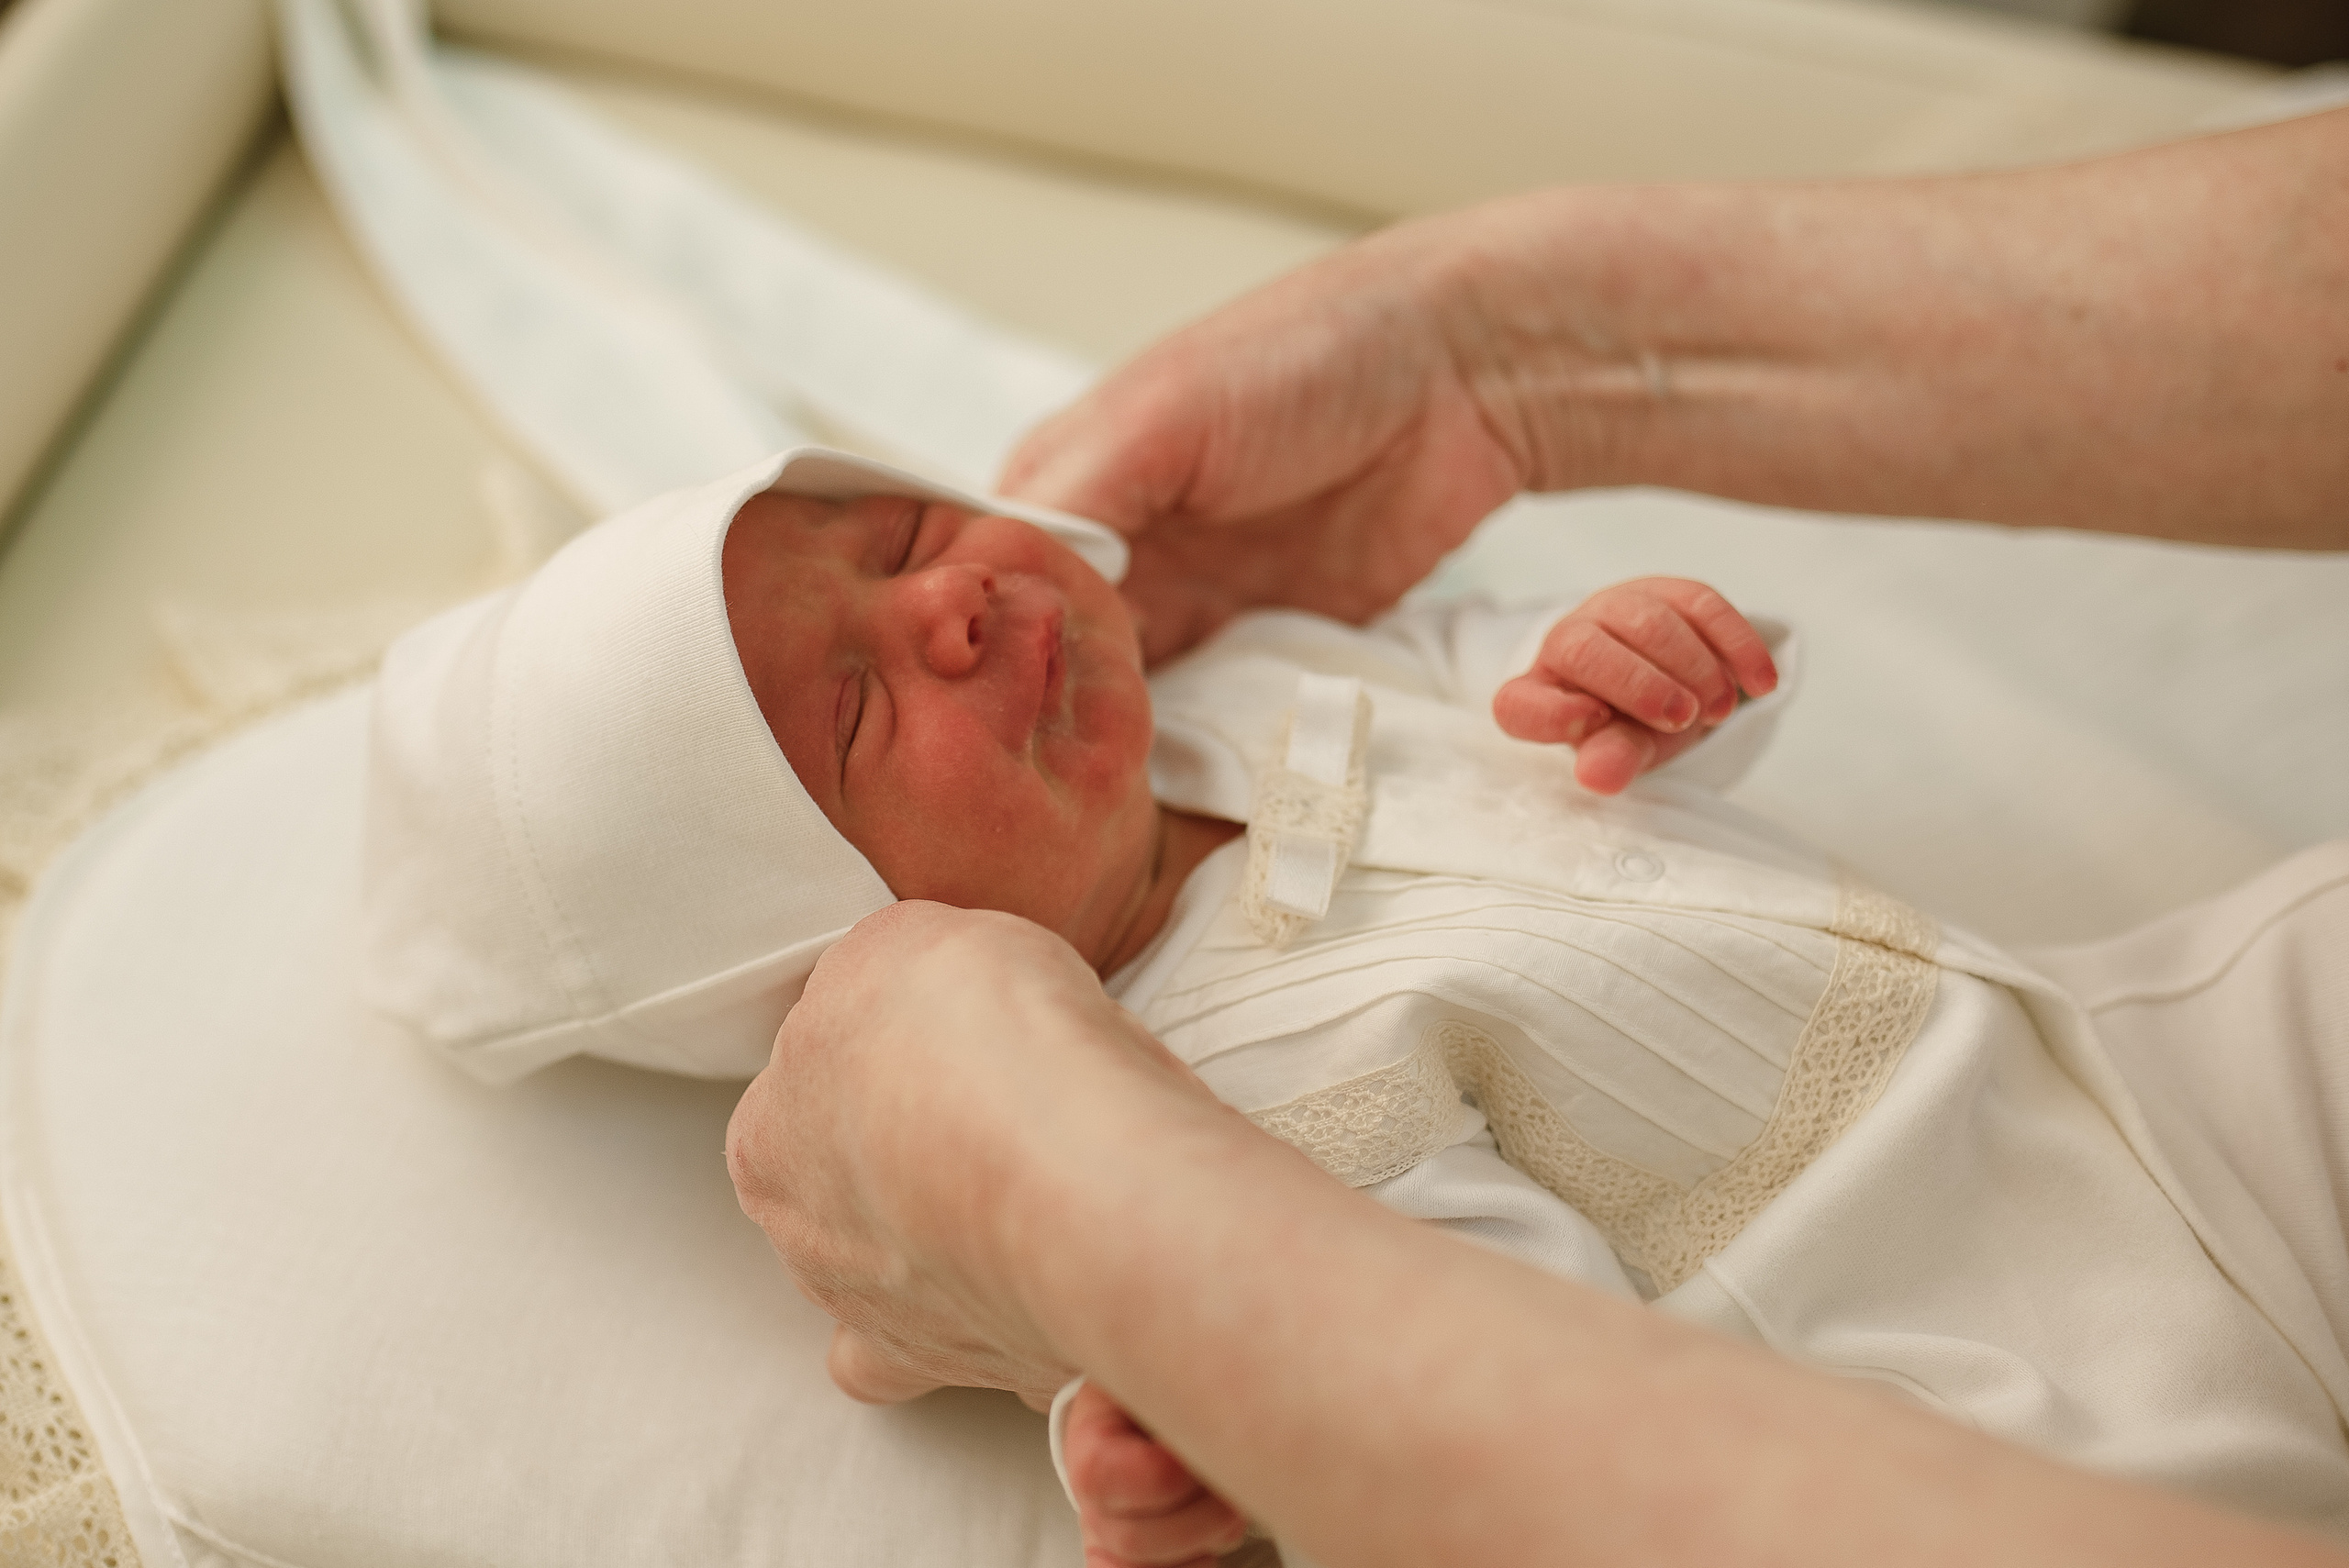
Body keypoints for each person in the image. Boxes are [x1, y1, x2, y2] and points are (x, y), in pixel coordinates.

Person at [724, 106, 2349, 1567]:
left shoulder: (1254, 668)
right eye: (857, 713)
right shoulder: (1213, 1078)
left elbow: (1541, 710)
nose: (946, 604)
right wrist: (1216, 1452)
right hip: (1938, 1341)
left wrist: (1637, 671)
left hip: (2143, 1061)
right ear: (843, 945)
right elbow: (1477, 1337)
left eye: (907, 534)